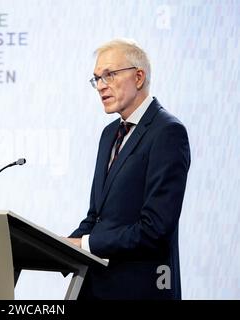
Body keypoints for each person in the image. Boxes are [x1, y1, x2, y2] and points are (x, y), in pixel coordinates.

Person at [65, 39, 191, 299]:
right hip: (95, 288)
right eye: (96, 79)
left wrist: (86, 244)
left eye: (109, 75)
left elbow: (154, 229)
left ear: (138, 77)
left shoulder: (167, 132)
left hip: (140, 290)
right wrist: (62, 246)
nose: (100, 86)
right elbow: (96, 216)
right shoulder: (109, 133)